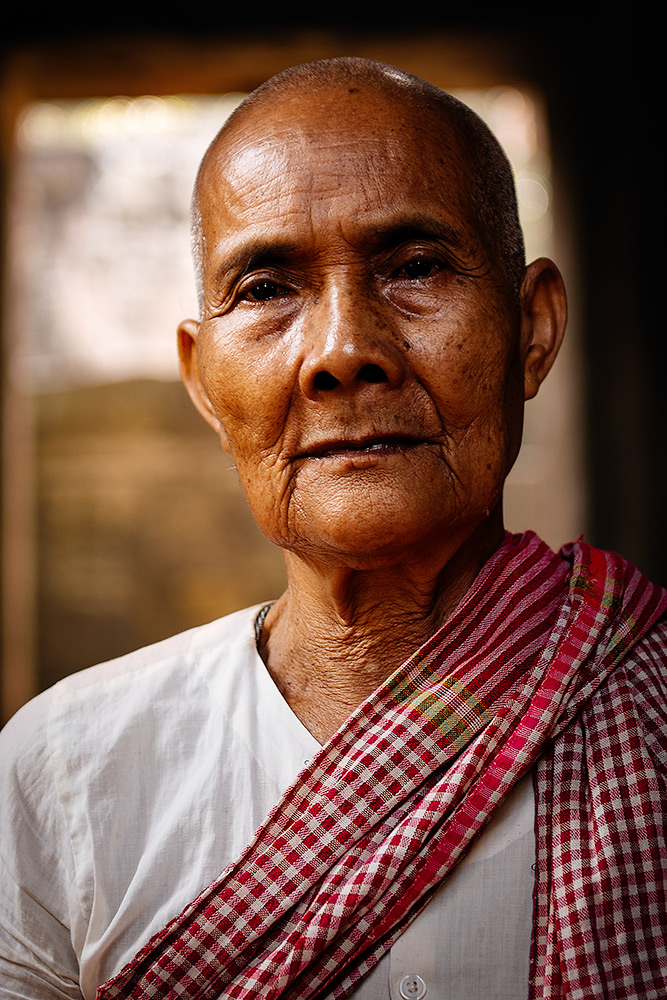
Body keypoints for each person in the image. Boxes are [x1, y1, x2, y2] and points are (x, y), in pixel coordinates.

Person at [1, 57, 665, 1000]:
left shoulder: (650, 710)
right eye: (267, 289)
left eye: (417, 267)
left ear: (532, 329)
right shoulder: (64, 775)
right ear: (202, 382)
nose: (345, 351)